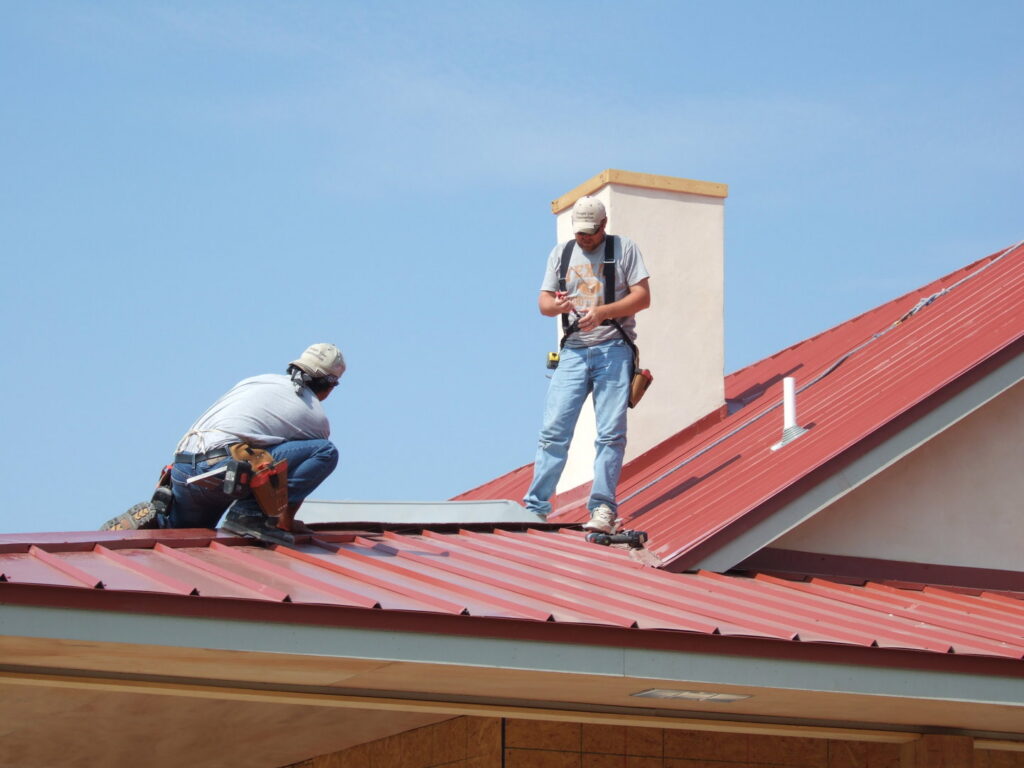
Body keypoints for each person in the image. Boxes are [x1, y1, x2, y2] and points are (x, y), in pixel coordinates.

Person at [102, 343, 344, 545]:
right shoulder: (314, 415)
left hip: (185, 469)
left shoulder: (258, 381)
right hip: (224, 472)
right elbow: (296, 470)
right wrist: (286, 523)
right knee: (325, 452)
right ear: (330, 386)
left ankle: (160, 518)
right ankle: (250, 514)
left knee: (184, 533)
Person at [523, 197, 651, 533]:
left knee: (610, 434)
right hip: (574, 353)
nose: (585, 239)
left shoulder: (625, 250)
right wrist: (559, 306)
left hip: (613, 349)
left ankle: (602, 508)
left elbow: (643, 296)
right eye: (580, 233)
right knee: (553, 432)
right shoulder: (561, 253)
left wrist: (605, 312)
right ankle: (535, 507)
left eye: (591, 233)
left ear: (604, 225)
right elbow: (544, 303)